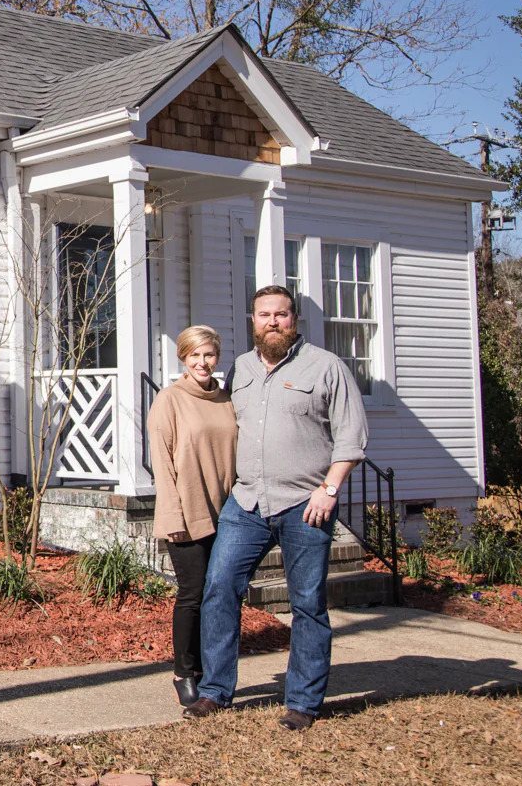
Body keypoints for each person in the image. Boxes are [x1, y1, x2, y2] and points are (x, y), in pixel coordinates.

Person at [184, 284, 368, 731]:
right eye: (264, 314)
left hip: (306, 504)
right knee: (219, 587)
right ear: (253, 320)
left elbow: (352, 437)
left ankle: (303, 702)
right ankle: (214, 692)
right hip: (246, 500)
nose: (272, 322)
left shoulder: (327, 367)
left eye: (280, 314)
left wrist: (330, 488)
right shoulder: (242, 369)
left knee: (306, 603)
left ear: (294, 319)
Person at [147, 325, 237, 707]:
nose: (202, 362)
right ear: (183, 358)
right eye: (194, 355)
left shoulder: (227, 399)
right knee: (193, 594)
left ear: (217, 357)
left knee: (222, 596)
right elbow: (162, 465)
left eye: (209, 355)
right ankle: (185, 671)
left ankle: (212, 670)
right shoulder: (169, 400)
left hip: (229, 513)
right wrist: (173, 517)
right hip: (187, 511)